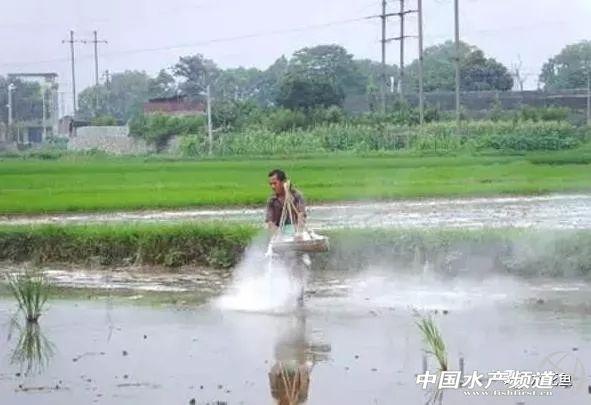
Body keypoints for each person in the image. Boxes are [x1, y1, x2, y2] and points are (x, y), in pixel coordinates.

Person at [265, 169, 306, 236]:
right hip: (279, 230)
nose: (272, 186)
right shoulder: (272, 200)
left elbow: (301, 216)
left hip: (296, 229)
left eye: (275, 183)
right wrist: (279, 236)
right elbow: (270, 222)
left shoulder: (296, 196)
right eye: (271, 184)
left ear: (283, 182)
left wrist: (298, 233)